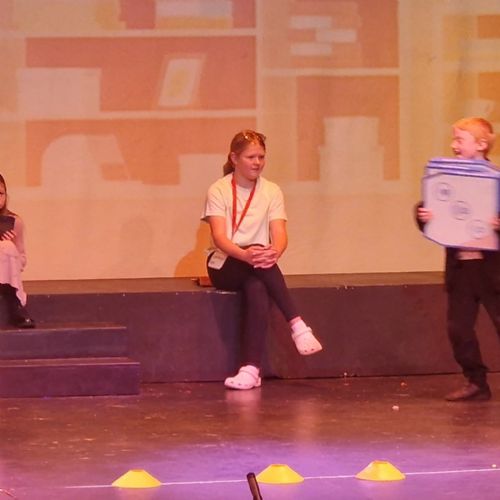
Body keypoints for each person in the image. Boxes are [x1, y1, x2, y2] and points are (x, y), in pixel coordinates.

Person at [202, 130, 322, 390]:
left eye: (261, 157)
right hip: (225, 262)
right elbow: (219, 238)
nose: (257, 162)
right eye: (251, 157)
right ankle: (297, 324)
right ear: (234, 158)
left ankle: (250, 369)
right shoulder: (219, 189)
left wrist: (274, 251)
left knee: (257, 287)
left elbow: (280, 233)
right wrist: (246, 254)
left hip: (257, 264)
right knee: (257, 257)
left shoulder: (271, 191)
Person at [416, 117, 498, 401]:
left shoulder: (495, 179)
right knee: (459, 329)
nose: (454, 145)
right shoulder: (446, 175)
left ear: (481, 144)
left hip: (492, 270)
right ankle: (476, 381)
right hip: (461, 269)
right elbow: (433, 207)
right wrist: (425, 215)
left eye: (460, 140)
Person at [0, 174, 35, 328]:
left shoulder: (14, 222)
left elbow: (22, 259)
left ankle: (17, 306)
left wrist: (11, 249)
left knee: (7, 247)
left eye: (0, 193)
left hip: (5, 279)